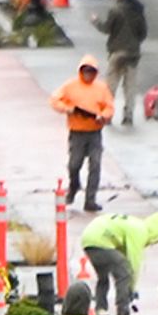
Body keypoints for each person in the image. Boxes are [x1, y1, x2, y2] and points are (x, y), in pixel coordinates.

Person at [48, 58, 117, 211]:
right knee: (74, 165)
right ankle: (74, 186)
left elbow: (110, 107)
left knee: (95, 165)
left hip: (94, 133)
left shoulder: (101, 88)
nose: (88, 74)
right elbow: (54, 100)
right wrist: (68, 108)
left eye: (91, 71)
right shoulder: (70, 86)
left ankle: (90, 200)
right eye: (86, 71)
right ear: (81, 71)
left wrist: (103, 116)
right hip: (77, 133)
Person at [80, 206, 158, 315]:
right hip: (101, 241)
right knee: (125, 274)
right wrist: (131, 290)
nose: (154, 243)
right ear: (155, 233)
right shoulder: (140, 231)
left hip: (89, 239)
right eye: (157, 240)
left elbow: (123, 253)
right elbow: (134, 264)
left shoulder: (134, 224)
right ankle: (123, 314)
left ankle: (100, 310)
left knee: (103, 277)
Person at [96, 0, 149, 126]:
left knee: (111, 85)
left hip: (117, 52)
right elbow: (143, 33)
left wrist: (95, 21)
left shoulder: (115, 11)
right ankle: (128, 115)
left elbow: (106, 29)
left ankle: (108, 114)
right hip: (133, 53)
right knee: (130, 86)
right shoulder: (138, 10)